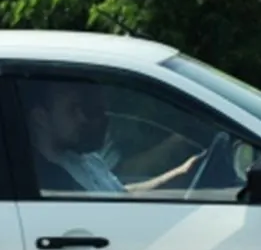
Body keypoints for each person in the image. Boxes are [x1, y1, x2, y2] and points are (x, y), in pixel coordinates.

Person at [20, 79, 199, 195]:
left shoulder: (84, 159)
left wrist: (183, 173)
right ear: (41, 118)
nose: (83, 117)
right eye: (72, 109)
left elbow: (120, 196)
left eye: (82, 107)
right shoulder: (51, 184)